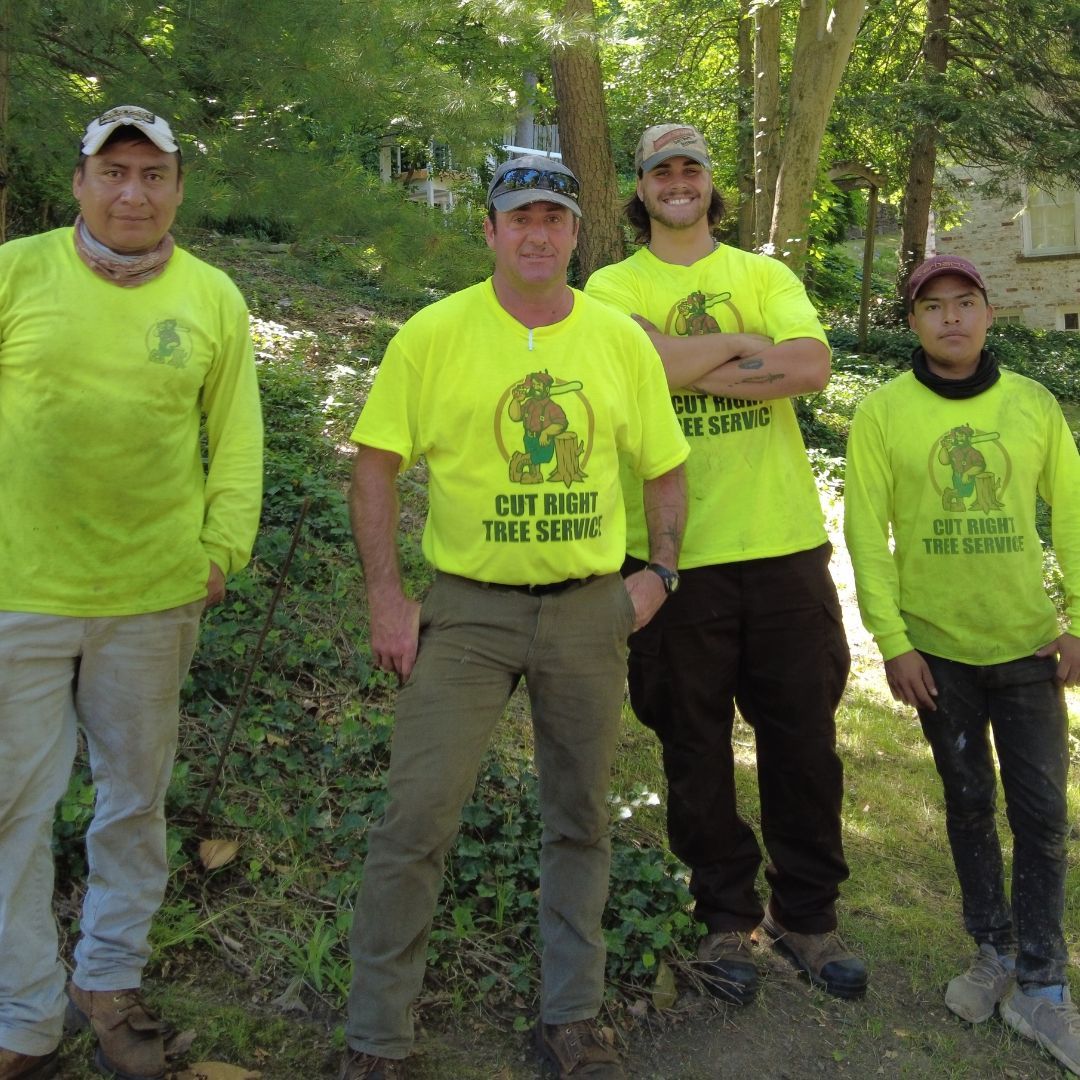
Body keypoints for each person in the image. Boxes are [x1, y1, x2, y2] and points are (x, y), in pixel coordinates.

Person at [339, 154, 688, 1080]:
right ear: (489, 231)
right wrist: (386, 597)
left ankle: (571, 1021)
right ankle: (378, 1037)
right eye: (519, 217)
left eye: (555, 218)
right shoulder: (434, 334)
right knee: (416, 816)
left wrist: (657, 574)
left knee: (579, 819)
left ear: (577, 235)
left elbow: (663, 462)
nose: (538, 233)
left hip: (586, 612)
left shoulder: (617, 339)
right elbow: (375, 463)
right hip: (466, 614)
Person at [0, 106, 263, 1080]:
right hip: (17, 596)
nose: (133, 193)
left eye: (154, 175)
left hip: (153, 600)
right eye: (114, 172)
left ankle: (106, 985)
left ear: (178, 190)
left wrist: (221, 550)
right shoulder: (17, 272)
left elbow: (236, 438)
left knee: (132, 803)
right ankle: (24, 1016)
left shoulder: (211, 297)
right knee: (10, 810)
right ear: (79, 183)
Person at [585, 123, 866, 1004]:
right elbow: (643, 375)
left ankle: (807, 917)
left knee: (804, 741)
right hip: (673, 557)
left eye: (692, 169)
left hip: (782, 547)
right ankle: (724, 917)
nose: (678, 182)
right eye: (661, 170)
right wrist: (744, 353)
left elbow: (812, 366)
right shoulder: (609, 285)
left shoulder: (764, 274)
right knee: (692, 744)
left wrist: (676, 365)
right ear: (640, 187)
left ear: (711, 184)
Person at [844, 255, 1080, 1071]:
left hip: (1025, 646)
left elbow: (1073, 509)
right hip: (937, 655)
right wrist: (895, 641)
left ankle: (1047, 987)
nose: (951, 318)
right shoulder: (883, 415)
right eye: (933, 307)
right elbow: (865, 535)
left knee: (1044, 816)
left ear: (988, 314)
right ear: (912, 322)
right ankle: (995, 951)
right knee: (969, 804)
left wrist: (1078, 617)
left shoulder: (1031, 405)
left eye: (966, 303)